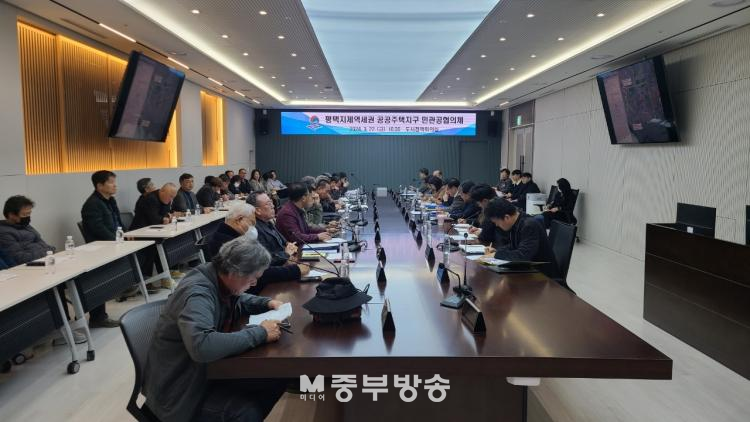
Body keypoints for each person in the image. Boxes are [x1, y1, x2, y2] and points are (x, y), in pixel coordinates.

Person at [142, 237, 288, 422]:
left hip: (203, 372)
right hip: (179, 391)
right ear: (235, 273)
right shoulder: (197, 294)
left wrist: (266, 303)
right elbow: (202, 346)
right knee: (247, 412)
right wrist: (261, 333)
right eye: (253, 279)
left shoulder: (216, 276)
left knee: (275, 378)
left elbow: (236, 298)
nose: (253, 284)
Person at [205, 203, 308, 294]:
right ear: (239, 220)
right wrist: (295, 270)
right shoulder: (228, 242)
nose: (253, 228)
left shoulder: (232, 235)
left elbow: (260, 262)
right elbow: (258, 272)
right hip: (246, 292)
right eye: (251, 223)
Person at [80, 170, 124, 327]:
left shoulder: (110, 200)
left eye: (114, 182)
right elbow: (99, 229)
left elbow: (118, 221)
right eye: (111, 182)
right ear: (99, 186)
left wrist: (124, 236)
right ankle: (98, 317)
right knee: (99, 283)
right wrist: (117, 241)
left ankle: (127, 288)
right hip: (100, 249)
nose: (115, 185)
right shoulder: (92, 204)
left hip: (112, 244)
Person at [481, 198, 561, 282]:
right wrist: (497, 251)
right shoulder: (517, 221)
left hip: (544, 278)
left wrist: (496, 255)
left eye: (496, 222)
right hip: (529, 271)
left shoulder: (529, 225)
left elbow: (522, 257)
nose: (496, 225)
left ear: (506, 217)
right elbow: (515, 245)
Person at [248, 192, 299, 267]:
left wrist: (290, 246)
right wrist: (286, 254)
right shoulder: (255, 231)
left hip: (288, 261)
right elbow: (264, 260)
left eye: (271, 202)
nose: (273, 206)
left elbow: (284, 243)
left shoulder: (268, 222)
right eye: (268, 204)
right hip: (278, 268)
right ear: (257, 211)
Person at [0, 196, 54, 264]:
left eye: (29, 213)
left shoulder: (25, 225)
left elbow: (44, 244)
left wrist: (50, 250)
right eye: (24, 214)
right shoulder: (3, 232)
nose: (28, 217)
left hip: (43, 260)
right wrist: (48, 252)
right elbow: (20, 258)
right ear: (11, 215)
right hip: (29, 266)